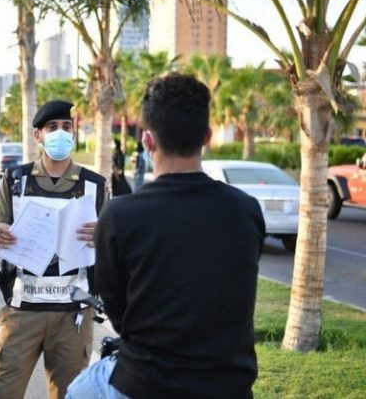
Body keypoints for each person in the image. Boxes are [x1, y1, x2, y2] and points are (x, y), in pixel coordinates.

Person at [67, 74, 265, 398]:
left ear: (147, 141)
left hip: (144, 383)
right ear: (207, 137)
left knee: (77, 390)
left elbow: (120, 316)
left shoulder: (118, 216)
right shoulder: (246, 210)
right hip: (229, 386)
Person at [0, 100, 108, 399]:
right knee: (2, 393)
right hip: (23, 311)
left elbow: (111, 247)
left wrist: (102, 238)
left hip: (72, 316)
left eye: (67, 127)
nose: (61, 133)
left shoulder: (95, 185)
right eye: (52, 127)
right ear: (37, 135)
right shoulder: (16, 180)